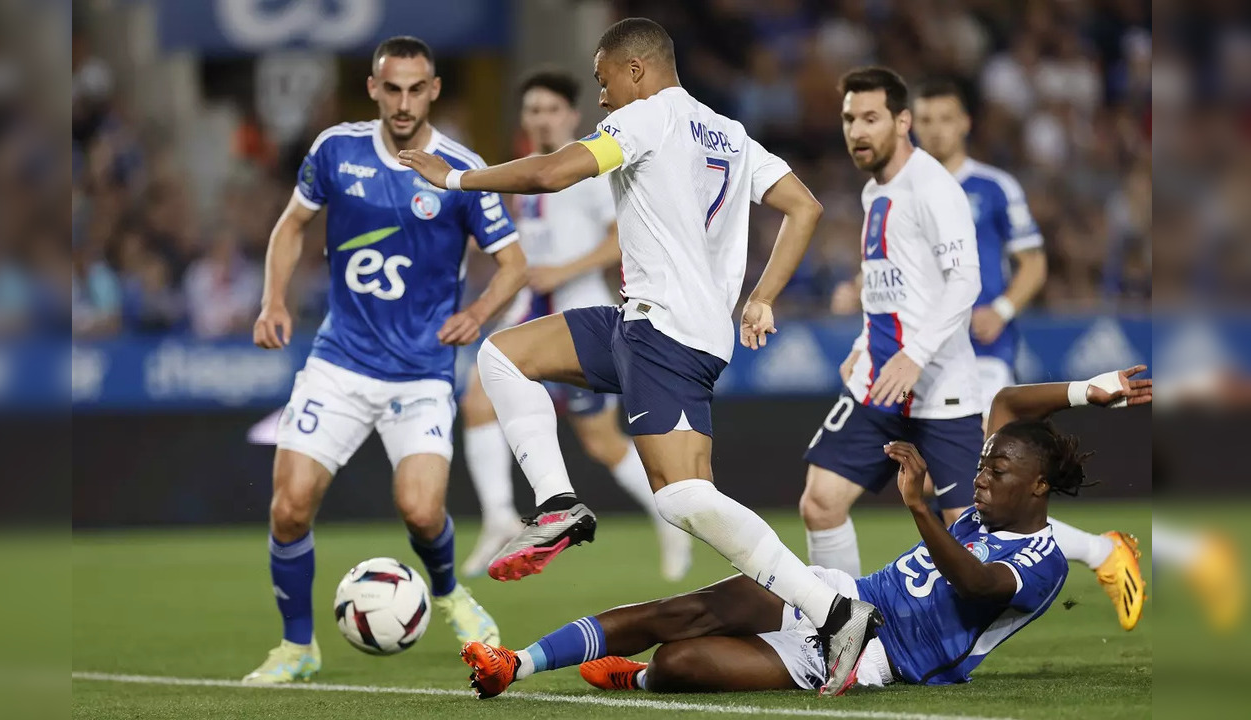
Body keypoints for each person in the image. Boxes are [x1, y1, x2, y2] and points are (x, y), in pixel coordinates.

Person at [399, 17, 880, 694]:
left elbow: (550, 172)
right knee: (503, 357)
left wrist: (456, 179)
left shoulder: (647, 118)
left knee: (685, 498)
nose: (600, 100)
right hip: (641, 323)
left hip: (670, 335)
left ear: (635, 71)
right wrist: (762, 296)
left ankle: (833, 611)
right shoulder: (729, 133)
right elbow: (802, 206)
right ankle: (559, 504)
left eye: (603, 83)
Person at [458, 368, 1152, 698]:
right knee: (683, 611)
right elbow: (1003, 404)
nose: (981, 475)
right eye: (983, 463)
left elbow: (974, 586)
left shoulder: (1043, 560)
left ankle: (637, 677)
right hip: (841, 595)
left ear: (1037, 487)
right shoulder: (996, 501)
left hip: (881, 658)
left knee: (680, 665)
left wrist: (918, 509)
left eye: (997, 470)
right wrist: (1087, 389)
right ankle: (513, 663)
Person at [242, 36, 524, 684]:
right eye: (390, 89)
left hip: (422, 371)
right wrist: (273, 300)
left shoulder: (460, 167)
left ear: (434, 91)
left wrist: (478, 314)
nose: (402, 103)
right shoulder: (334, 150)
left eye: (414, 89)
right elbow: (290, 224)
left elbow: (514, 263)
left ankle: (450, 593)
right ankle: (297, 647)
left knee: (422, 511)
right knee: (288, 507)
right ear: (372, 88)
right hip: (339, 362)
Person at [907, 78, 1144, 631]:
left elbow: (1033, 262)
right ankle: (1099, 551)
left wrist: (1005, 308)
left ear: (964, 123)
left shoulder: (993, 186)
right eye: (926, 118)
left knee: (975, 484)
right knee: (960, 505)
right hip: (924, 356)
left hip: (984, 353)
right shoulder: (906, 189)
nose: (936, 128)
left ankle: (1097, 553)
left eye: (946, 117)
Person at [459, 68, 692, 581]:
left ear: (570, 115)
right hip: (531, 311)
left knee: (601, 442)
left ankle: (670, 518)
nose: (541, 118)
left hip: (580, 311)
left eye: (550, 109)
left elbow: (618, 241)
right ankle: (498, 514)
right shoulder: (529, 178)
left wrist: (560, 271)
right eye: (533, 110)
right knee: (477, 402)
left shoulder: (588, 168)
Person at [799, 66, 985, 578]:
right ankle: (842, 629)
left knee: (970, 540)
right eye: (849, 119)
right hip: (880, 384)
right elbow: (888, 287)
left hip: (939, 388)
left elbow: (965, 281)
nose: (858, 130)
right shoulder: (873, 192)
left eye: (871, 118)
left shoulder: (932, 187)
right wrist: (863, 342)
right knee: (820, 503)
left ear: (903, 121)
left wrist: (916, 354)